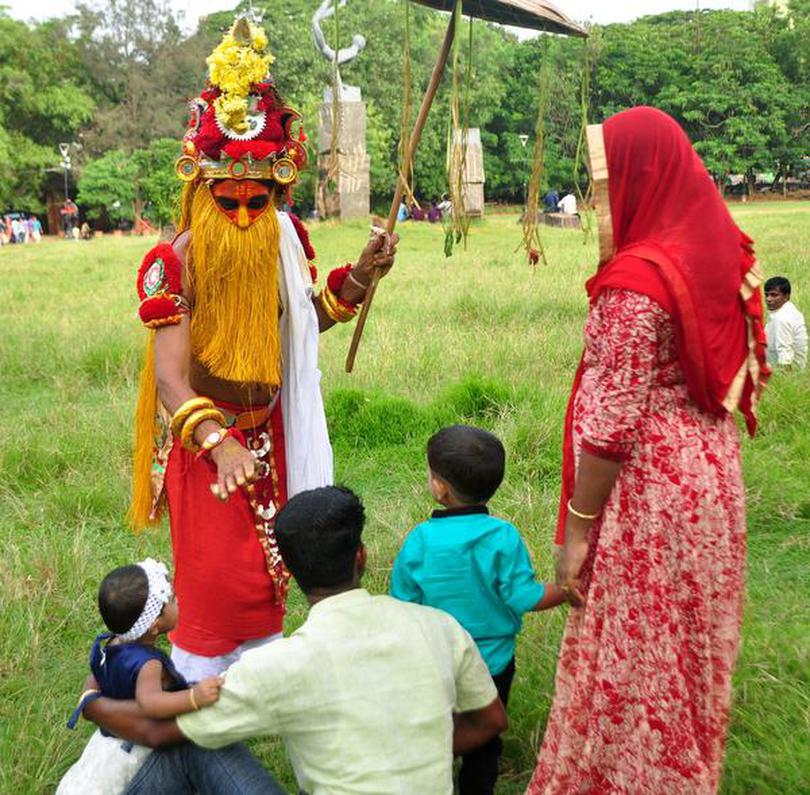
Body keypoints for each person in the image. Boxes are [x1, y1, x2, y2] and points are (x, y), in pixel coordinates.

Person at [128, 18, 398, 683]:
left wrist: (361, 274)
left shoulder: (283, 236)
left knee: (273, 571)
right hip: (207, 444)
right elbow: (169, 381)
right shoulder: (175, 260)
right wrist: (218, 441)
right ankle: (204, 694)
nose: (246, 214)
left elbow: (306, 321)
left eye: (261, 198)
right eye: (229, 199)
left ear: (279, 189)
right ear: (202, 187)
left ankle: (265, 685)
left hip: (273, 431)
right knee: (218, 583)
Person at [527, 107, 770, 794]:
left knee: (636, 648)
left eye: (607, 183)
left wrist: (578, 531)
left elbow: (608, 430)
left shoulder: (636, 283)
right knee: (683, 642)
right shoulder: (715, 249)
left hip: (649, 494)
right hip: (709, 479)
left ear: (642, 175)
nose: (602, 200)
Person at [82, 486, 506, 794]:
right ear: (362, 555)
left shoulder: (279, 665)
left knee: (197, 744)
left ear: (285, 568)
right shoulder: (439, 626)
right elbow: (491, 720)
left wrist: (92, 703)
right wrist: (413, 751)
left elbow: (158, 733)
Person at [390, 425, 566, 795]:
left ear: (439, 487)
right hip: (494, 665)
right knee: (485, 742)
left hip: (436, 664)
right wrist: (564, 591)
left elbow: (402, 606)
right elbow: (524, 597)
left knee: (435, 732)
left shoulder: (421, 540)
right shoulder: (504, 537)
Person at [58, 559, 222, 795]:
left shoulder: (113, 642)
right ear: (155, 625)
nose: (179, 602)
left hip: (107, 740)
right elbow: (150, 703)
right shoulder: (148, 665)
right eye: (173, 600)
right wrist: (194, 697)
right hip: (132, 747)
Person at [764, 276, 807, 369]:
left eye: (774, 295)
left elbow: (785, 355)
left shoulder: (782, 318)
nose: (768, 299)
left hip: (788, 371)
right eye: (767, 295)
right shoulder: (787, 311)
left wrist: (783, 382)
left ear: (786, 296)